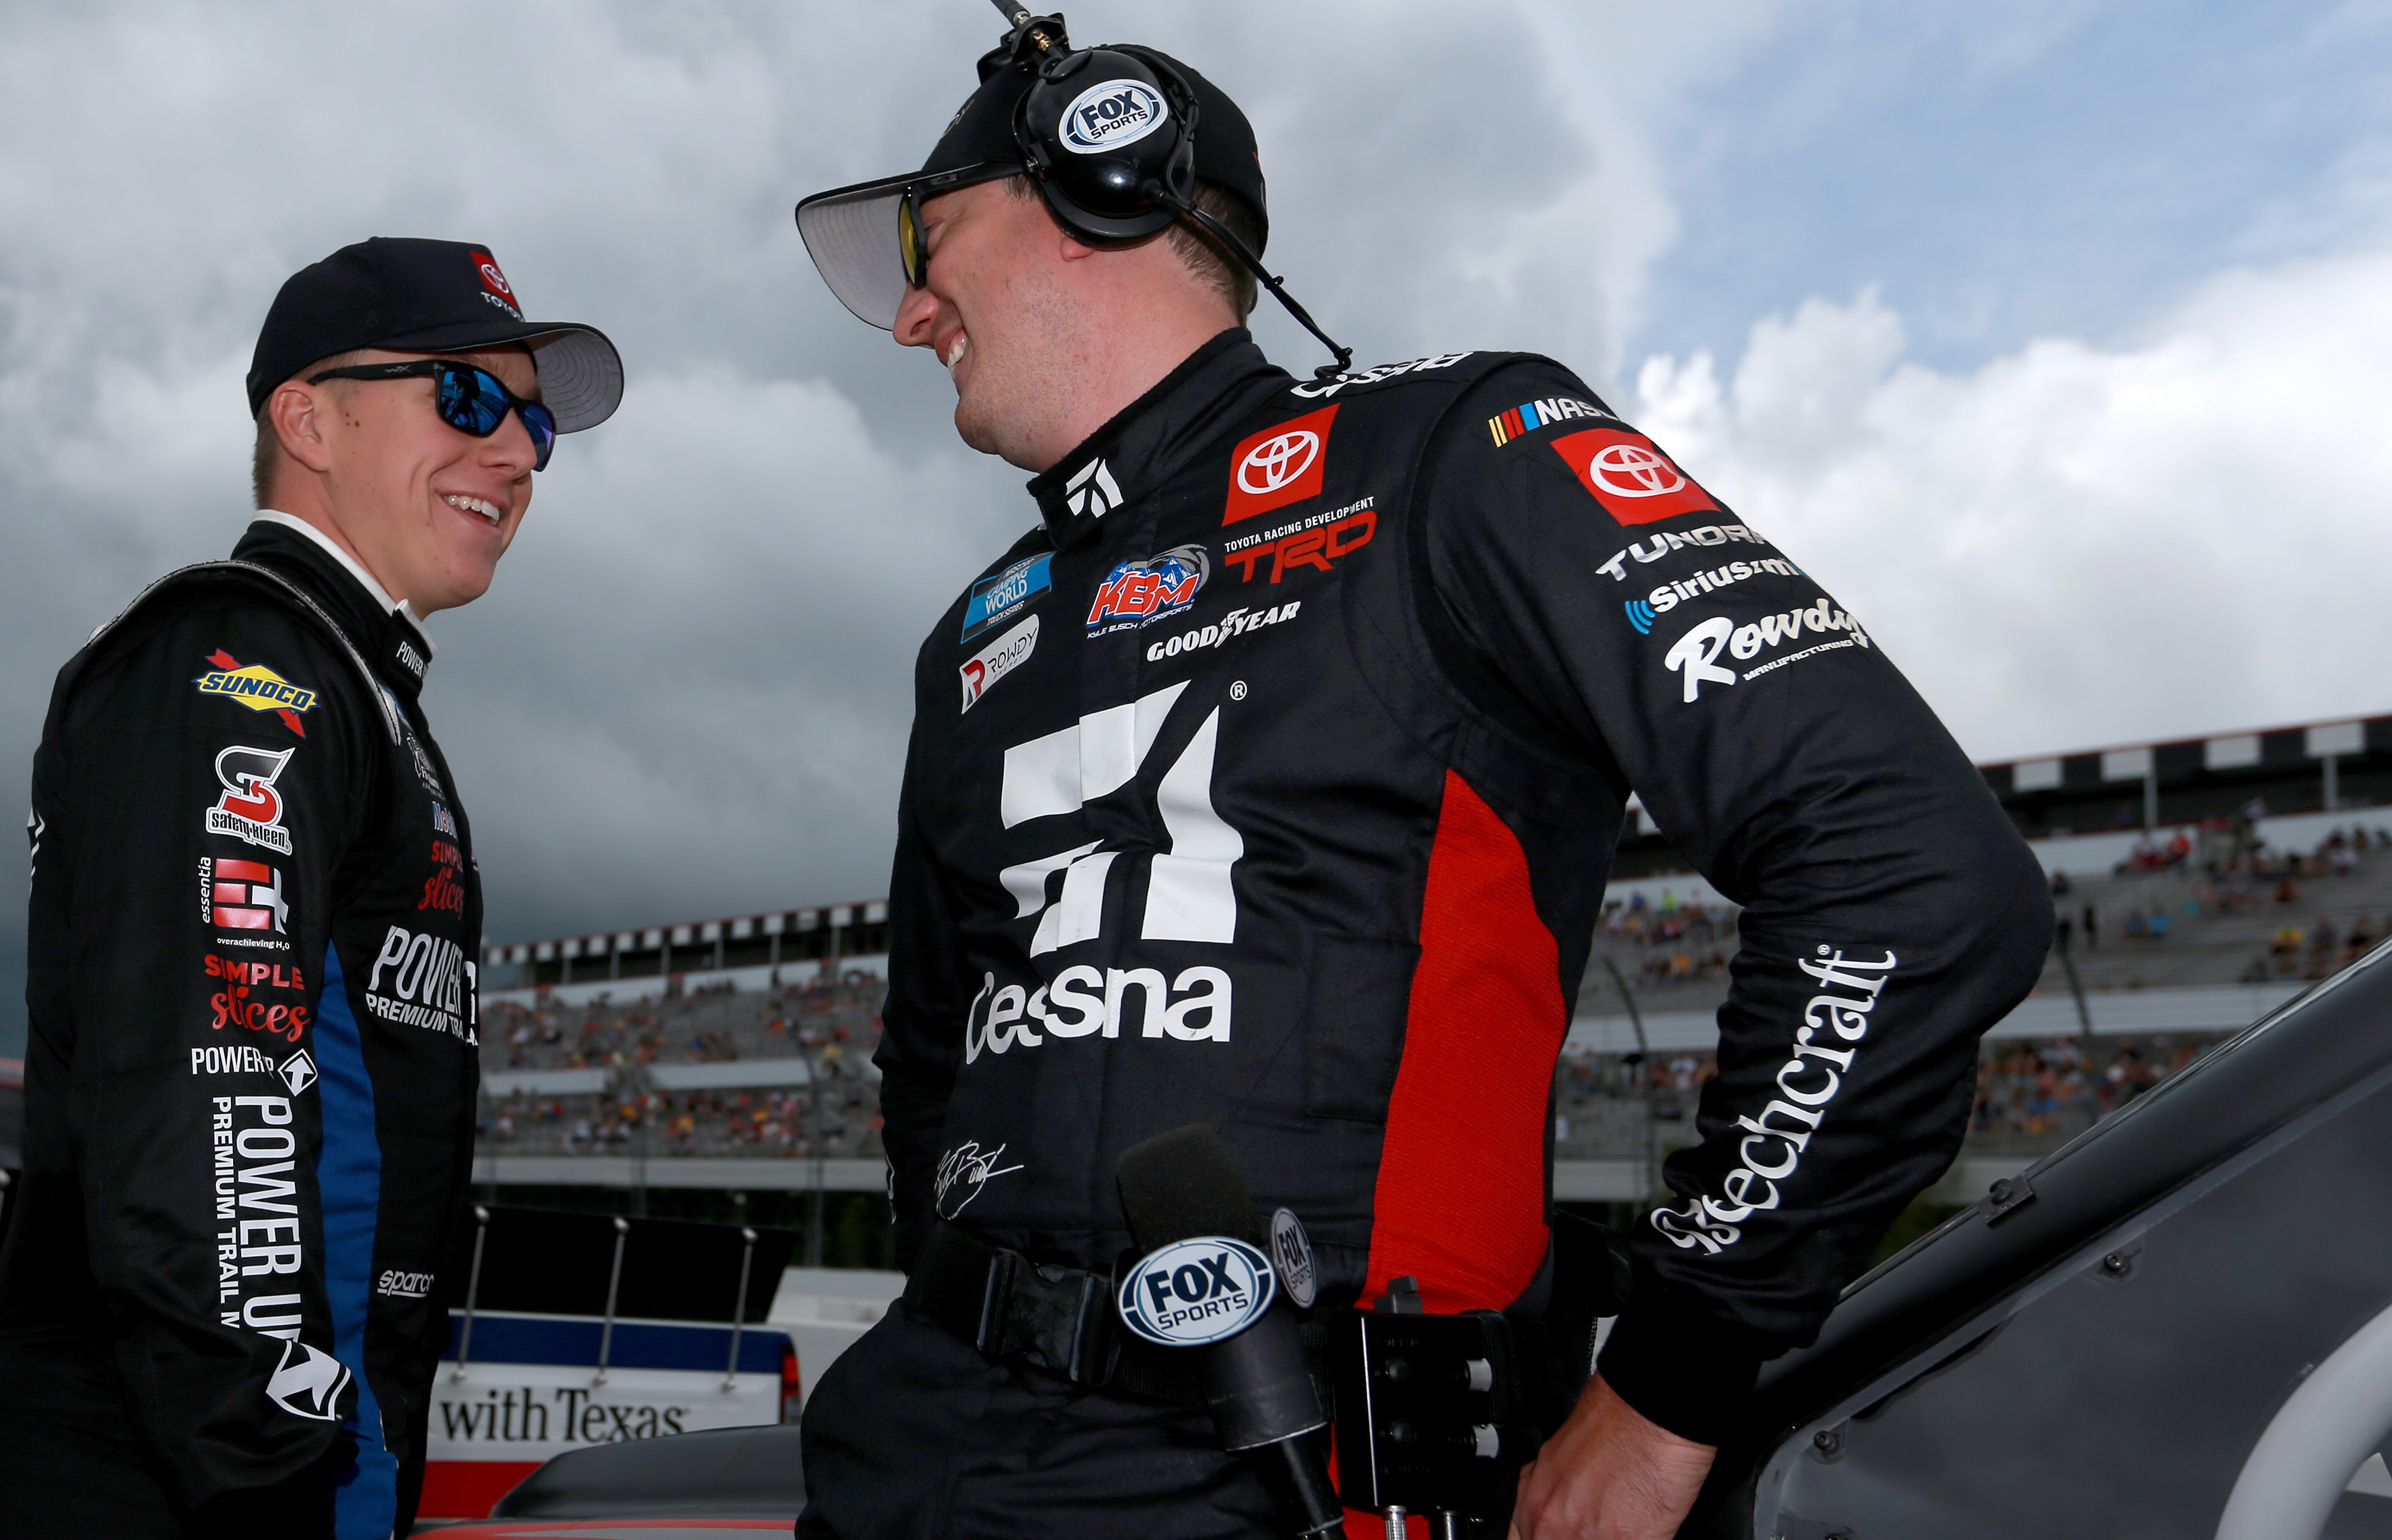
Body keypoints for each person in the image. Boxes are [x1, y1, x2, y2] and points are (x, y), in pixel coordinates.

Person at [788, 18, 2048, 1540]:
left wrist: (1668, 1386)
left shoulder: (1456, 448)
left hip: (1303, 1471)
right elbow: (929, 1068)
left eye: (935, 238)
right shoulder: (975, 633)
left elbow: (1912, 873)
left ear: (1096, 188)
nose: (916, 311)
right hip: (911, 1453)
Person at [0, 238, 621, 1539]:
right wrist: (269, 1471)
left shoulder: (352, 682)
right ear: (305, 417)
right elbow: (212, 1100)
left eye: (532, 419)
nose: (521, 452)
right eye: (465, 398)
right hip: (173, 1471)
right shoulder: (243, 655)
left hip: (245, 1457)